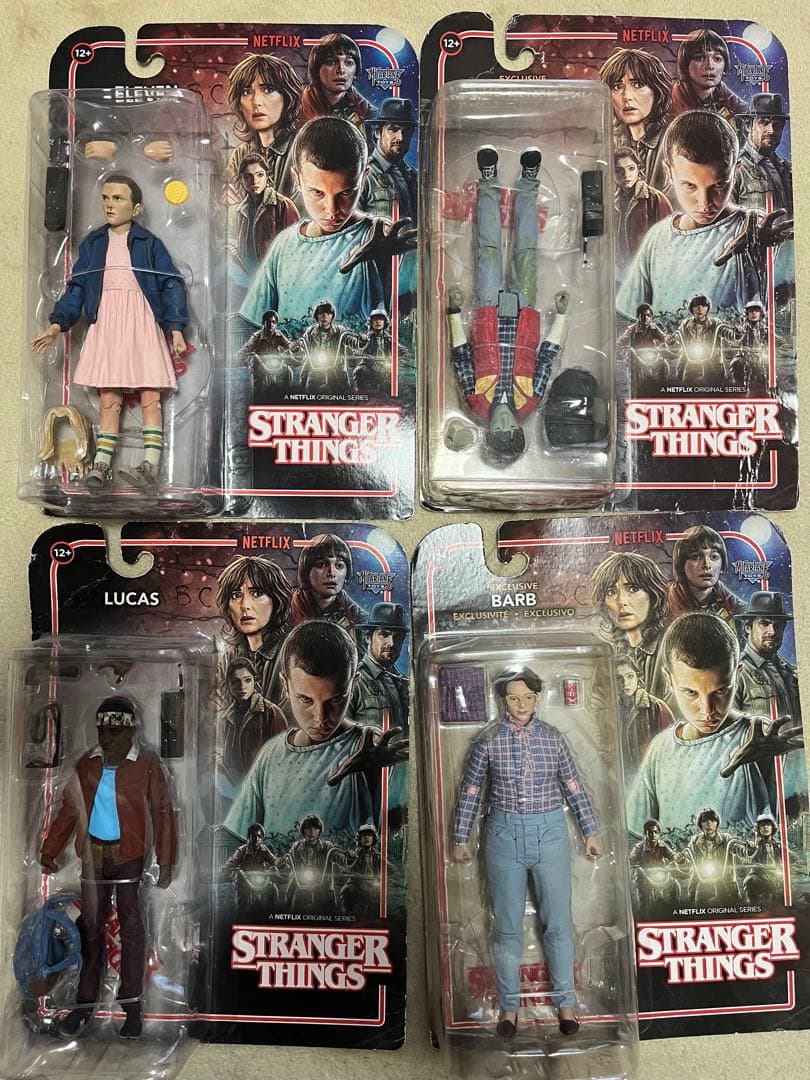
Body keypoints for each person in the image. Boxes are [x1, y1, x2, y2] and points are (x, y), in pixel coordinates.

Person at [451, 667, 602, 1038]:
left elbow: (573, 786)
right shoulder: (489, 741)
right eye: (514, 698)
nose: (521, 705)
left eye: (528, 697)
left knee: (558, 923)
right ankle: (509, 1008)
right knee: (506, 927)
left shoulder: (553, 739)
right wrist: (461, 837)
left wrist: (590, 831)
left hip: (550, 833)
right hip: (503, 835)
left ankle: (566, 1004)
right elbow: (471, 790)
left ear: (537, 698)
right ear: (504, 699)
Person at [32, 175, 188, 492]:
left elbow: (170, 282)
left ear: (136, 207)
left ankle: (151, 465)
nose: (109, 204)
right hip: (107, 321)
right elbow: (77, 287)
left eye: (118, 198)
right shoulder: (93, 244)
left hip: (141, 319)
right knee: (109, 396)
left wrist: (175, 328)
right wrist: (57, 323)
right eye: (105, 198)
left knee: (150, 393)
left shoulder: (149, 243)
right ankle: (101, 464)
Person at [39, 696, 176, 1039]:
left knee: (132, 928)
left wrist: (166, 860)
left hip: (129, 856)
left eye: (115, 731)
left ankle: (131, 1005)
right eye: (102, 730)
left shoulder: (146, 765)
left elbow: (163, 812)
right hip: (93, 857)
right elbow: (70, 810)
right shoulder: (87, 765)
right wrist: (50, 849)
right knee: (90, 927)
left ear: (130, 731)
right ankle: (84, 1004)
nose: (107, 737)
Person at [224, 621, 407, 840]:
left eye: (336, 699)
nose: (320, 718)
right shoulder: (271, 755)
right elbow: (237, 835)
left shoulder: (370, 746)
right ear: (285, 685)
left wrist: (375, 773)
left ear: (354, 684)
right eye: (305, 699)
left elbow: (396, 829)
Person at [446, 146, 571, 463]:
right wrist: (562, 317)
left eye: (498, 430)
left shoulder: (476, 401)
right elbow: (547, 357)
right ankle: (529, 182)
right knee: (525, 249)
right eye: (510, 429)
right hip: (523, 313)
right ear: (518, 428)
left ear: (489, 432)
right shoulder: (530, 401)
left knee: (487, 249)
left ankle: (489, 181)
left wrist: (453, 313)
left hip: (488, 312)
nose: (503, 422)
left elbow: (461, 356)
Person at [625, 613, 802, 836]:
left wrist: (766, 762)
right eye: (691, 692)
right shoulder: (660, 749)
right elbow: (637, 832)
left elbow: (781, 820)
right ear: (669, 680)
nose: (707, 710)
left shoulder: (759, 736)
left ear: (737, 675)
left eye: (721, 691)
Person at [616, 111, 791, 321]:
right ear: (669, 172)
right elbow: (629, 316)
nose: (704, 203)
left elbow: (783, 294)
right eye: (689, 185)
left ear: (736, 171)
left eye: (719, 185)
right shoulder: (657, 238)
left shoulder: (752, 227)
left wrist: (761, 252)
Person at [241, 116, 414, 326]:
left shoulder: (380, 236)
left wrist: (385, 262)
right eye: (317, 192)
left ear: (364, 178)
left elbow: (402, 316)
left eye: (346, 192)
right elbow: (253, 324)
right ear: (297, 179)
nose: (332, 210)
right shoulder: (284, 245)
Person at [590, 551, 670, 698]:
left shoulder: (671, 648)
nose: (621, 601)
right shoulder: (606, 654)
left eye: (633, 589)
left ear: (653, 594)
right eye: (611, 592)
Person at [225, 52, 303, 200]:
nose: (256, 102)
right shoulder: (240, 155)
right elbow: (231, 205)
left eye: (267, 90)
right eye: (247, 92)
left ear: (287, 97)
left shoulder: (303, 147)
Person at [214, 554, 293, 700]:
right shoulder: (228, 657)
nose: (244, 605)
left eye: (256, 593)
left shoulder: (293, 651)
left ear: (276, 599)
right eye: (236, 595)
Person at [598, 48, 673, 196]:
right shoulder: (608, 142)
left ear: (656, 90)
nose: (626, 96)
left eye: (638, 85)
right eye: (617, 87)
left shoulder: (673, 140)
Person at [734, 591, 800, 724]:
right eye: (764, 623)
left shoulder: (792, 672)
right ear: (747, 627)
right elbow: (728, 728)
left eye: (778, 625)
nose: (773, 631)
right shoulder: (735, 673)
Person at [218, 656, 287, 783]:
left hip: (263, 784)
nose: (242, 686)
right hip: (234, 787)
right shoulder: (226, 717)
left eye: (247, 680)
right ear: (228, 684)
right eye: (235, 681)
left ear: (255, 681)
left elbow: (283, 755)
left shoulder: (271, 712)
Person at [233, 154, 298, 275]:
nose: (254, 181)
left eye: (260, 175)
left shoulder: (283, 205)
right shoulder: (241, 211)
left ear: (267, 176)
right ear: (241, 180)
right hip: (248, 276)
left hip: (275, 274)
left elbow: (295, 247)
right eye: (248, 177)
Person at [666, 525, 743, 624]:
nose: (706, 565)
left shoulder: (731, 604)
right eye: (695, 557)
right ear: (681, 565)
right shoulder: (664, 605)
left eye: (714, 557)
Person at [613, 146, 672, 272]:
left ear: (638, 169)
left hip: (648, 267)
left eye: (631, 168)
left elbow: (668, 239)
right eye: (619, 170)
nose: (626, 175)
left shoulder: (655, 198)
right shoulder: (612, 202)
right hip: (620, 269)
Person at [289, 532, 364, 630]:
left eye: (339, 566)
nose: (331, 573)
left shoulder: (355, 615)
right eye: (321, 565)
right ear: (306, 571)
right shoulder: (287, 612)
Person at [360, 97, 418, 221]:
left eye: (406, 131)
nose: (400, 137)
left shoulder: (414, 177)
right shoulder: (362, 175)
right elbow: (350, 226)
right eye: (393, 129)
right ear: (377, 132)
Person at [733, 94, 792, 213]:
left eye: (777, 125)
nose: (771, 130)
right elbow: (725, 220)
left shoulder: (788, 169)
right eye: (764, 122)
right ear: (748, 126)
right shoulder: (734, 169)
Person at [670, 29, 745, 122]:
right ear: (685, 65)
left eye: (717, 59)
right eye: (699, 58)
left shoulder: (736, 106)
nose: (710, 65)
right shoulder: (667, 104)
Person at [616, 653, 674, 772]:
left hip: (649, 772)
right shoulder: (610, 709)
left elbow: (670, 748)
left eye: (630, 676)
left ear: (637, 677)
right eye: (619, 678)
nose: (625, 683)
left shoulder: (656, 707)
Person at [299, 33, 372, 128]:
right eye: (331, 62)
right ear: (316, 69)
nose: (341, 70)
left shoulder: (367, 113)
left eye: (348, 63)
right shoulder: (296, 110)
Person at [293, 300, 364, 395]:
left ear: (332, 316)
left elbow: (350, 339)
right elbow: (302, 347)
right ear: (316, 316)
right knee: (308, 389)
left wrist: (361, 340)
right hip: (315, 367)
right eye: (321, 313)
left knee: (342, 392)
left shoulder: (339, 330)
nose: (324, 316)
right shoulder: (310, 331)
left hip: (336, 367)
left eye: (328, 313)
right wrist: (296, 349)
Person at [279, 814, 343, 914]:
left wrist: (349, 857)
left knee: (328, 911)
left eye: (315, 828)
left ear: (319, 830)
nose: (311, 831)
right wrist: (281, 865)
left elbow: (339, 857)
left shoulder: (326, 846)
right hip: (300, 884)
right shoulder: (296, 847)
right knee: (294, 909)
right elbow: (288, 866)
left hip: (322, 885)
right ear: (303, 830)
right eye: (307, 827)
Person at [684, 807, 742, 906]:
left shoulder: (726, 838)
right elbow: (687, 857)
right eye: (704, 821)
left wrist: (748, 848)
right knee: (700, 905)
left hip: (724, 879)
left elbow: (738, 848)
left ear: (717, 823)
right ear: (700, 824)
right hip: (703, 879)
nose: (708, 824)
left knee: (728, 906)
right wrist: (680, 860)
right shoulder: (695, 840)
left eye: (712, 820)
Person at [671, 294, 732, 386]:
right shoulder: (686, 324)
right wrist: (671, 341)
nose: (700, 308)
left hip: (712, 361)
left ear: (707, 308)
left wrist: (736, 332)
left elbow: (727, 332)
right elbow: (677, 339)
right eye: (696, 305)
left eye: (703, 305)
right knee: (687, 382)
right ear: (691, 308)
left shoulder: (715, 323)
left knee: (715, 385)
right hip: (691, 360)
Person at [222, 822, 279, 912]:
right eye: (253, 836)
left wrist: (279, 862)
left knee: (273, 889)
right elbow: (233, 861)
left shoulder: (264, 850)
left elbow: (273, 860)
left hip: (260, 878)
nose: (256, 839)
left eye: (259, 836)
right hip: (245, 880)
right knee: (243, 897)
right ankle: (242, 914)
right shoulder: (242, 850)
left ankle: (270, 913)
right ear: (249, 838)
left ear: (262, 838)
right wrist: (227, 867)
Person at [628, 819, 680, 914]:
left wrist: (676, 857)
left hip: (661, 873)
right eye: (650, 832)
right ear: (646, 833)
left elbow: (671, 854)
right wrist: (632, 863)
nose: (653, 834)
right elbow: (632, 859)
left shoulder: (662, 845)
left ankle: (672, 908)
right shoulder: (639, 847)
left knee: (674, 884)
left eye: (656, 832)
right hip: (645, 876)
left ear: (659, 833)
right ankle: (643, 912)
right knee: (643, 894)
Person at [617, 302, 669, 395]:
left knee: (663, 363)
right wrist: (620, 345)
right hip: (637, 356)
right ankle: (634, 389)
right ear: (638, 316)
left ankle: (661, 386)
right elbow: (623, 339)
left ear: (651, 317)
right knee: (633, 369)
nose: (645, 318)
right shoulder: (632, 329)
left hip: (651, 354)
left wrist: (668, 339)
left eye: (648, 315)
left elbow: (663, 336)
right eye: (643, 315)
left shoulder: (654, 328)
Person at [739, 813, 784, 906]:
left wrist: (797, 860)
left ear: (773, 828)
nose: (765, 827)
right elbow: (748, 851)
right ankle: (753, 906)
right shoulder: (755, 845)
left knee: (784, 897)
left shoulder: (778, 845)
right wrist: (747, 856)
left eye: (768, 824)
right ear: (758, 829)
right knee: (749, 881)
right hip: (760, 876)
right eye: (762, 825)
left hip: (776, 876)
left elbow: (789, 854)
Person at [339, 823, 382, 917]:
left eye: (369, 835)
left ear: (374, 838)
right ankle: (348, 916)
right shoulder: (355, 854)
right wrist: (348, 861)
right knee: (347, 890)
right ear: (359, 838)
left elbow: (388, 868)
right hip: (357, 884)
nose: (366, 837)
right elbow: (348, 863)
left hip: (373, 884)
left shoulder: (378, 856)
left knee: (379, 901)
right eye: (363, 835)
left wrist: (393, 873)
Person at [352, 308, 392, 393]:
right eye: (375, 319)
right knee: (358, 371)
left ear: (385, 322)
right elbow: (360, 346)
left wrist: (404, 354)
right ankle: (361, 394)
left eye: (380, 319)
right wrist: (359, 350)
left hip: (385, 366)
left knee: (392, 379)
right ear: (371, 322)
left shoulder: (389, 338)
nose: (378, 321)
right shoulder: (367, 337)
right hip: (369, 366)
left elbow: (397, 347)